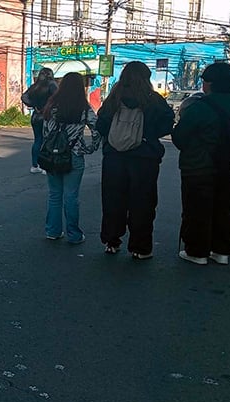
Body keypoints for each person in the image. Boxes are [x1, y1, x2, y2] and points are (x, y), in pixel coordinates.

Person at [172, 63, 230, 265]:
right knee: (224, 207)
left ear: (210, 83)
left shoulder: (199, 107)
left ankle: (197, 252)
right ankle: (221, 250)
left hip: (198, 166)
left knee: (196, 209)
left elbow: (180, 137)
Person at [96, 61, 174, 259]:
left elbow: (101, 125)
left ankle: (111, 241)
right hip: (144, 158)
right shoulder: (153, 100)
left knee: (113, 200)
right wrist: (147, 134)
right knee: (143, 202)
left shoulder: (113, 99)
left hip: (114, 157)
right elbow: (167, 124)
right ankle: (140, 247)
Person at [40, 72, 101, 243]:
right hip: (74, 154)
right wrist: (90, 148)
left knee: (54, 195)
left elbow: (45, 131)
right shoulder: (83, 107)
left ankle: (52, 231)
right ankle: (74, 235)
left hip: (52, 156)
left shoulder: (51, 105)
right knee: (71, 196)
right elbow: (96, 129)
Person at [22, 67, 57, 174]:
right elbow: (57, 98)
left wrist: (33, 105)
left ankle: (35, 165)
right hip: (48, 116)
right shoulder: (52, 85)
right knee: (48, 140)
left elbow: (24, 97)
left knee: (38, 140)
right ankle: (45, 165)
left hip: (36, 116)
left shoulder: (34, 86)